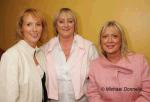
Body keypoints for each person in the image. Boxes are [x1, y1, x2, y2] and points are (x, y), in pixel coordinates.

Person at [41, 8, 99, 102]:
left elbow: (98, 81)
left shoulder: (89, 48)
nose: (66, 25)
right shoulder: (45, 49)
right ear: (56, 25)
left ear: (74, 25)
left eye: (70, 21)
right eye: (61, 21)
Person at [87, 20, 150, 102]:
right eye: (105, 37)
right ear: (101, 41)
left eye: (115, 36)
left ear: (121, 40)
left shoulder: (140, 61)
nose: (109, 40)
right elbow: (93, 94)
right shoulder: (94, 65)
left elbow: (147, 92)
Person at [0, 8, 48, 102]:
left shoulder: (41, 54)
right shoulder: (11, 56)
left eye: (38, 24)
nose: (34, 29)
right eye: (29, 24)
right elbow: (7, 98)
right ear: (21, 28)